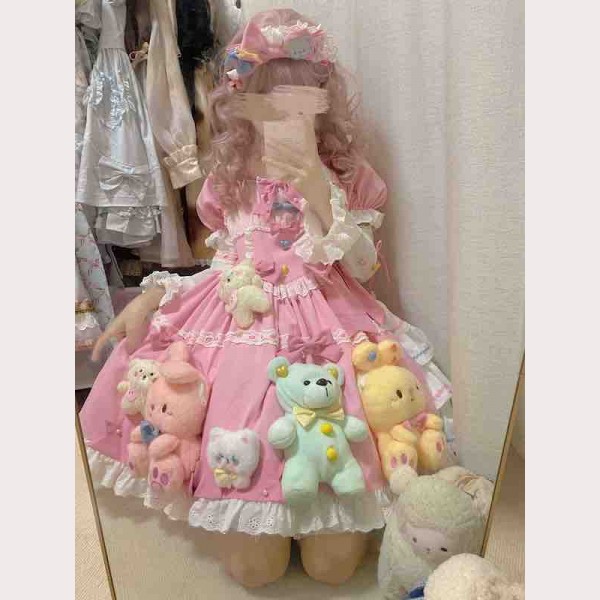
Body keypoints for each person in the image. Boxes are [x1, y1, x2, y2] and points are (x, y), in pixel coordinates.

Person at [80, 8, 451, 588]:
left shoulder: (347, 174)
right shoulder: (229, 179)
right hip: (241, 330)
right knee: (255, 570)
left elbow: (363, 267)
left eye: (299, 102)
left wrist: (318, 190)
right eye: (268, 102)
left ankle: (322, 496)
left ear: (322, 104)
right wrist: (151, 299)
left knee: (332, 569)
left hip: (326, 324)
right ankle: (256, 497)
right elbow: (223, 264)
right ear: (244, 104)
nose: (284, 117)